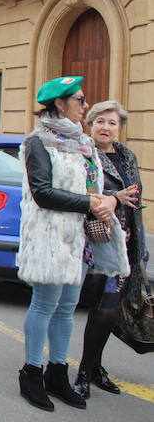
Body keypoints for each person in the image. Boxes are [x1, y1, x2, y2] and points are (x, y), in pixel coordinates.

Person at [16, 76, 117, 412]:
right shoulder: (38, 142)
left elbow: (91, 187)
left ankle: (57, 373)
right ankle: (31, 373)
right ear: (60, 104)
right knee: (45, 304)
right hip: (49, 237)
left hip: (78, 239)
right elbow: (42, 192)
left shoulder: (83, 144)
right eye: (80, 99)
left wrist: (107, 201)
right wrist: (89, 203)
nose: (85, 105)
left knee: (67, 308)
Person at [73, 100, 138, 399]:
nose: (106, 127)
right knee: (99, 308)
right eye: (100, 121)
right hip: (93, 241)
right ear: (91, 124)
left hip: (123, 242)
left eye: (112, 123)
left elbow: (136, 201)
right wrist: (113, 197)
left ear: (119, 128)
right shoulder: (84, 153)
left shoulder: (127, 157)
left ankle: (93, 367)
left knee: (109, 310)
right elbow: (80, 193)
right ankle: (84, 372)